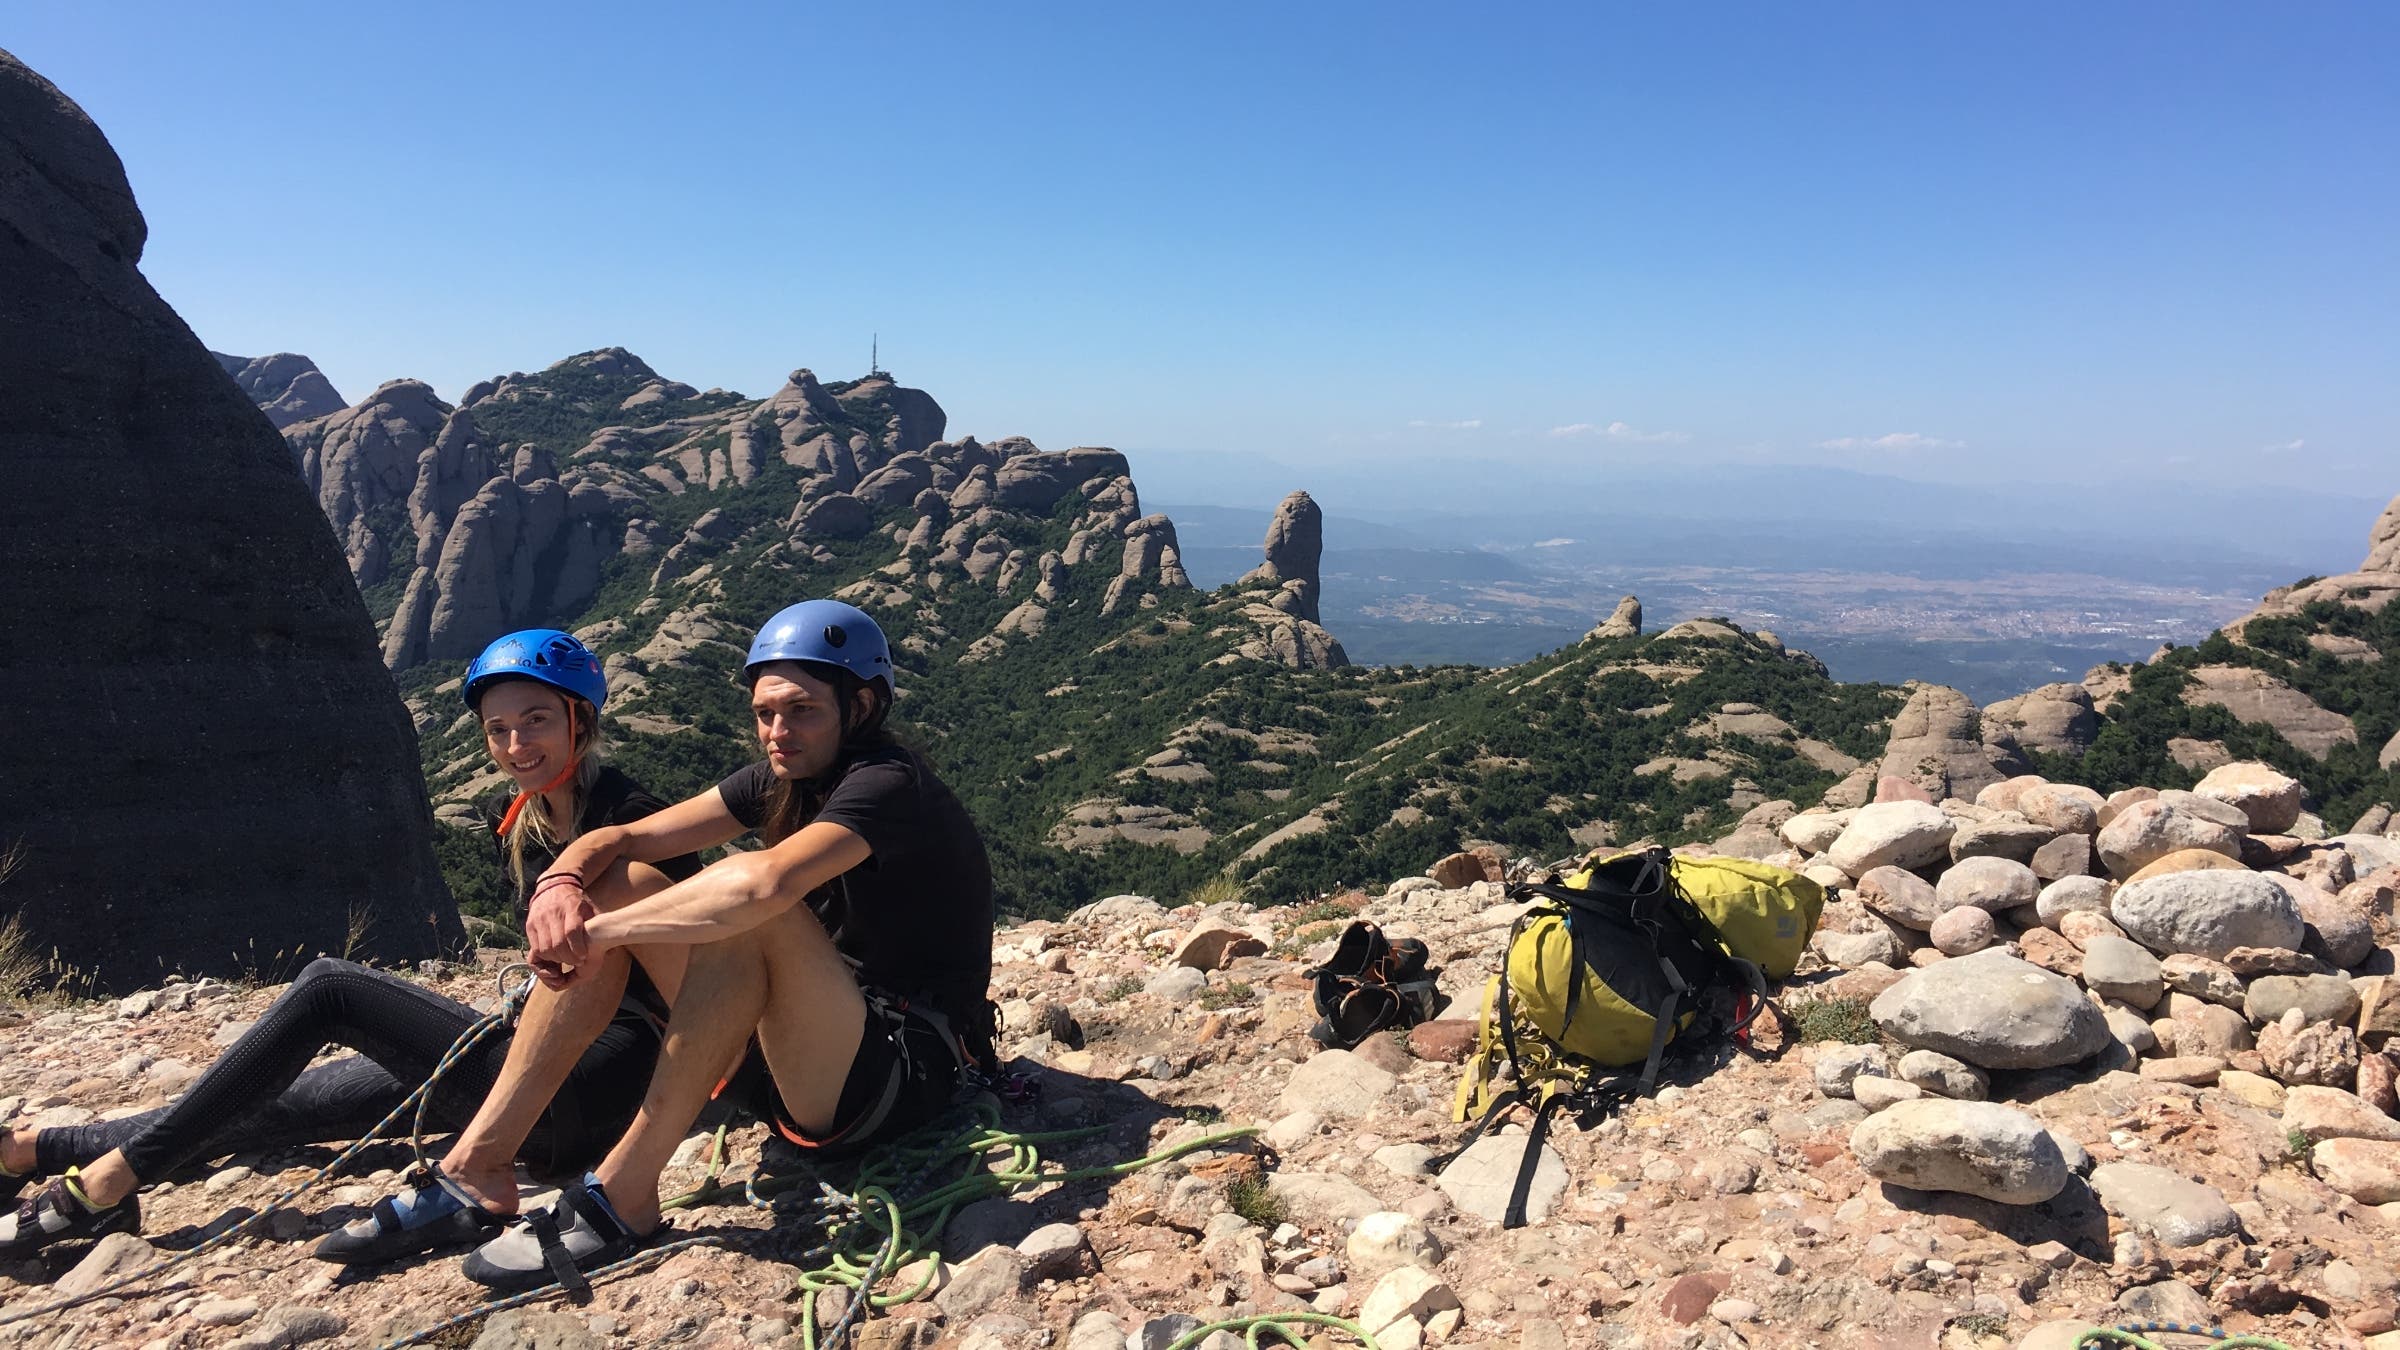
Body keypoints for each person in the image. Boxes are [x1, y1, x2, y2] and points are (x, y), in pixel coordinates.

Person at [0, 630, 700, 1264]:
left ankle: (102, 1187)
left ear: (583, 719)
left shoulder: (631, 821)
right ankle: (35, 1149)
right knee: (291, 1101)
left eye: (538, 721)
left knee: (331, 989)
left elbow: (700, 978)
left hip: (591, 1092)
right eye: (499, 729)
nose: (517, 747)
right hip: (544, 1071)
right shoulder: (516, 816)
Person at [456, 600, 995, 1291]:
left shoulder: (889, 785)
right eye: (765, 712)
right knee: (626, 879)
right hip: (808, 1053)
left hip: (899, 1072)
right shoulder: (782, 776)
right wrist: (560, 882)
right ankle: (479, 1165)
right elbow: (627, 836)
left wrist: (593, 934)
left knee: (751, 899)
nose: (777, 731)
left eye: (801, 710)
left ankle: (624, 1194)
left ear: (860, 705)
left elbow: (762, 885)